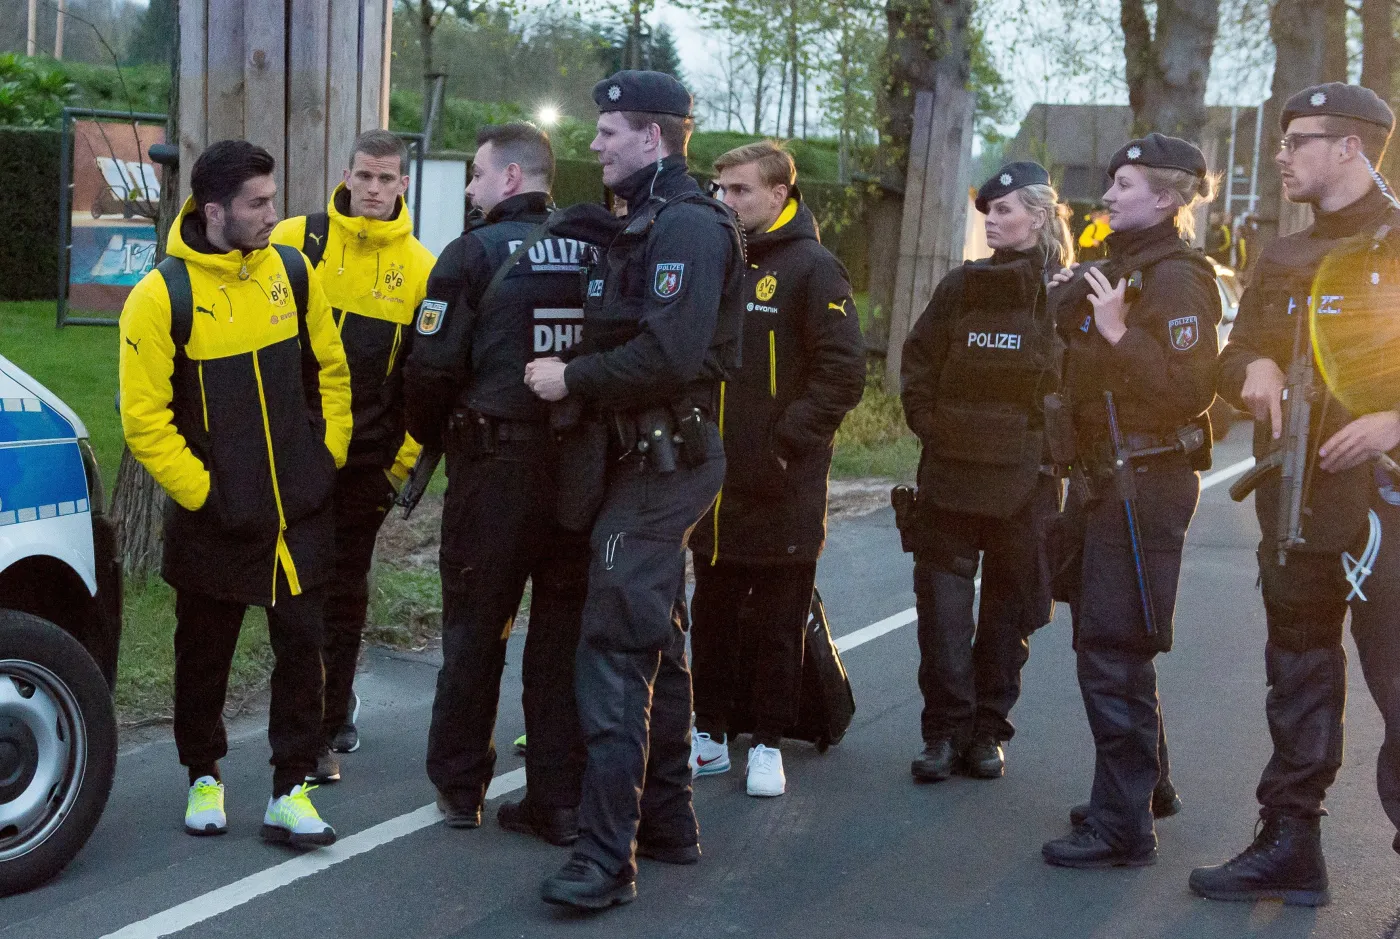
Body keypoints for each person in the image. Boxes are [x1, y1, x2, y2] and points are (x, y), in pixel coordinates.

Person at [524, 70, 742, 910]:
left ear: (652, 136)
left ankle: (605, 859)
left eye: (608, 131)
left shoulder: (687, 224)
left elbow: (669, 355)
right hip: (643, 458)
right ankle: (668, 821)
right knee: (660, 636)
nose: (595, 144)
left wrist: (568, 376)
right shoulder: (647, 220)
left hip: (662, 463)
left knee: (613, 650)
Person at [1191, 82, 1400, 908]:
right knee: (1298, 676)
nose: (1281, 154)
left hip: (1386, 504)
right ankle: (1289, 846)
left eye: (1298, 139)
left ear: (1350, 146)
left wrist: (1393, 419)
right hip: (1298, 500)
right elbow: (1233, 349)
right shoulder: (1281, 254)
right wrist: (1254, 366)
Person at [119, 139, 351, 849]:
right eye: (258, 203)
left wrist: (325, 459)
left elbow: (332, 372)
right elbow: (144, 422)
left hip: (299, 512)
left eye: (273, 199)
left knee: (304, 647)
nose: (273, 214)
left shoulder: (292, 269)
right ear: (214, 209)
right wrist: (210, 495)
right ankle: (204, 773)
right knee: (204, 653)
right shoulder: (160, 296)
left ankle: (290, 788)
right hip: (215, 518)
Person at [401, 122, 592, 842]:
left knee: (476, 630)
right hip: (575, 469)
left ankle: (460, 787)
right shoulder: (594, 248)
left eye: (478, 176)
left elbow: (430, 369)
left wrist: (430, 435)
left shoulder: (470, 253)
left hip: (495, 470)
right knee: (560, 639)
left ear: (511, 178)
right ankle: (557, 795)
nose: (472, 189)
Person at [1039, 133, 1220, 869]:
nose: (1108, 194)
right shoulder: (1119, 265)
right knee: (1105, 634)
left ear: (1169, 198)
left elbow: (1191, 387)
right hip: (1098, 476)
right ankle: (1146, 788)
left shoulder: (1179, 279)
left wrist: (1116, 333)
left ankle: (1123, 827)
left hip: (1142, 476)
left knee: (1114, 649)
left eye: (1125, 184)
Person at [686, 141, 865, 797]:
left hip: (783, 485)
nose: (725, 201)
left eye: (740, 191)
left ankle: (766, 743)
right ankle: (708, 735)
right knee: (712, 614)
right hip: (712, 480)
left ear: (779, 195)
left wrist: (786, 441)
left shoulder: (814, 269)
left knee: (775, 622)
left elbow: (844, 372)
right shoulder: (715, 260)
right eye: (719, 188)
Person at [271, 130, 435, 783]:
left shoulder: (423, 268)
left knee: (342, 595)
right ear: (345, 173)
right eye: (363, 175)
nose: (372, 189)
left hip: (366, 462)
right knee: (292, 592)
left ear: (402, 185)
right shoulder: (294, 239)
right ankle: (299, 719)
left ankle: (329, 722)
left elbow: (427, 380)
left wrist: (402, 463)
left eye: (385, 178)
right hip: (294, 453)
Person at [897, 161, 1067, 784]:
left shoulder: (1064, 291)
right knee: (942, 611)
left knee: (1008, 612)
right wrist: (933, 428)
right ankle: (943, 733)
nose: (992, 222)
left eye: (1004, 211)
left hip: (1027, 481)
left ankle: (987, 733)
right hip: (950, 474)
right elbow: (917, 362)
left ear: (1039, 214)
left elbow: (1073, 383)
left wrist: (1046, 448)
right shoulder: (961, 287)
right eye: (988, 213)